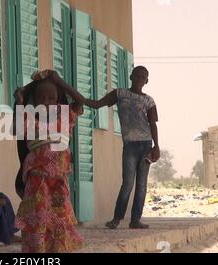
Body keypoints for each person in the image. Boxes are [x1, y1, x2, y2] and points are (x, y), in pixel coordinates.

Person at [13, 70, 86, 253]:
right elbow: (17, 107)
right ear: (34, 100)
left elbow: (80, 101)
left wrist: (59, 81)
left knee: (59, 219)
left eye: (51, 98)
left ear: (58, 99)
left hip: (59, 181)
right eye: (40, 97)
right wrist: (24, 93)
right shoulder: (28, 118)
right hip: (37, 181)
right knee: (36, 219)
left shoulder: (65, 116)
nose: (46, 102)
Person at [85, 66, 160, 229]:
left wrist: (156, 146)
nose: (140, 79)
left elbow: (153, 125)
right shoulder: (120, 94)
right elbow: (98, 104)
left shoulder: (149, 101)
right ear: (131, 76)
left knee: (141, 185)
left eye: (143, 77)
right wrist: (78, 98)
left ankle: (135, 220)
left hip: (146, 145)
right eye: (137, 76)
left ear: (146, 81)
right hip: (130, 145)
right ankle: (117, 219)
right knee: (127, 183)